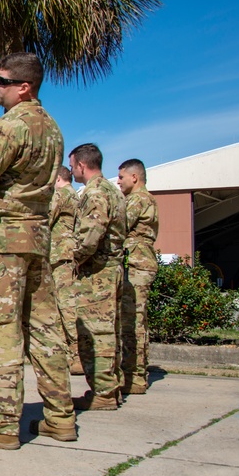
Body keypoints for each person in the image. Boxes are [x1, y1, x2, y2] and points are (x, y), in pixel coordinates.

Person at [0, 53, 76, 450]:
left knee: (3, 332)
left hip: (4, 242)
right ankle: (60, 416)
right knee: (46, 330)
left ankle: (3, 425)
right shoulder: (53, 129)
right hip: (38, 240)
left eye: (0, 81)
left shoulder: (6, 129)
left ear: (25, 87)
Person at [69, 143, 127, 411]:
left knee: (96, 332)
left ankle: (103, 392)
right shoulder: (112, 190)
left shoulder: (95, 194)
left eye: (72, 166)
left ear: (81, 165)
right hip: (111, 269)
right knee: (111, 331)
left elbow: (90, 236)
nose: (72, 171)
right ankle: (112, 386)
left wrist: (73, 258)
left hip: (97, 272)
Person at [118, 158, 159, 395]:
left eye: (121, 177)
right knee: (134, 319)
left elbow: (119, 224)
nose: (119, 182)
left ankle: (134, 376)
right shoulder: (143, 198)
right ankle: (134, 373)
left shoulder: (138, 199)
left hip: (137, 264)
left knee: (132, 321)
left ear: (135, 177)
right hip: (138, 262)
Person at [50, 166, 82, 375]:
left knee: (66, 306)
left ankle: (77, 354)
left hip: (61, 256)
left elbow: (46, 217)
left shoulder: (62, 194)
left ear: (58, 178)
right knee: (65, 305)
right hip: (67, 255)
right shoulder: (76, 196)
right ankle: (72, 354)